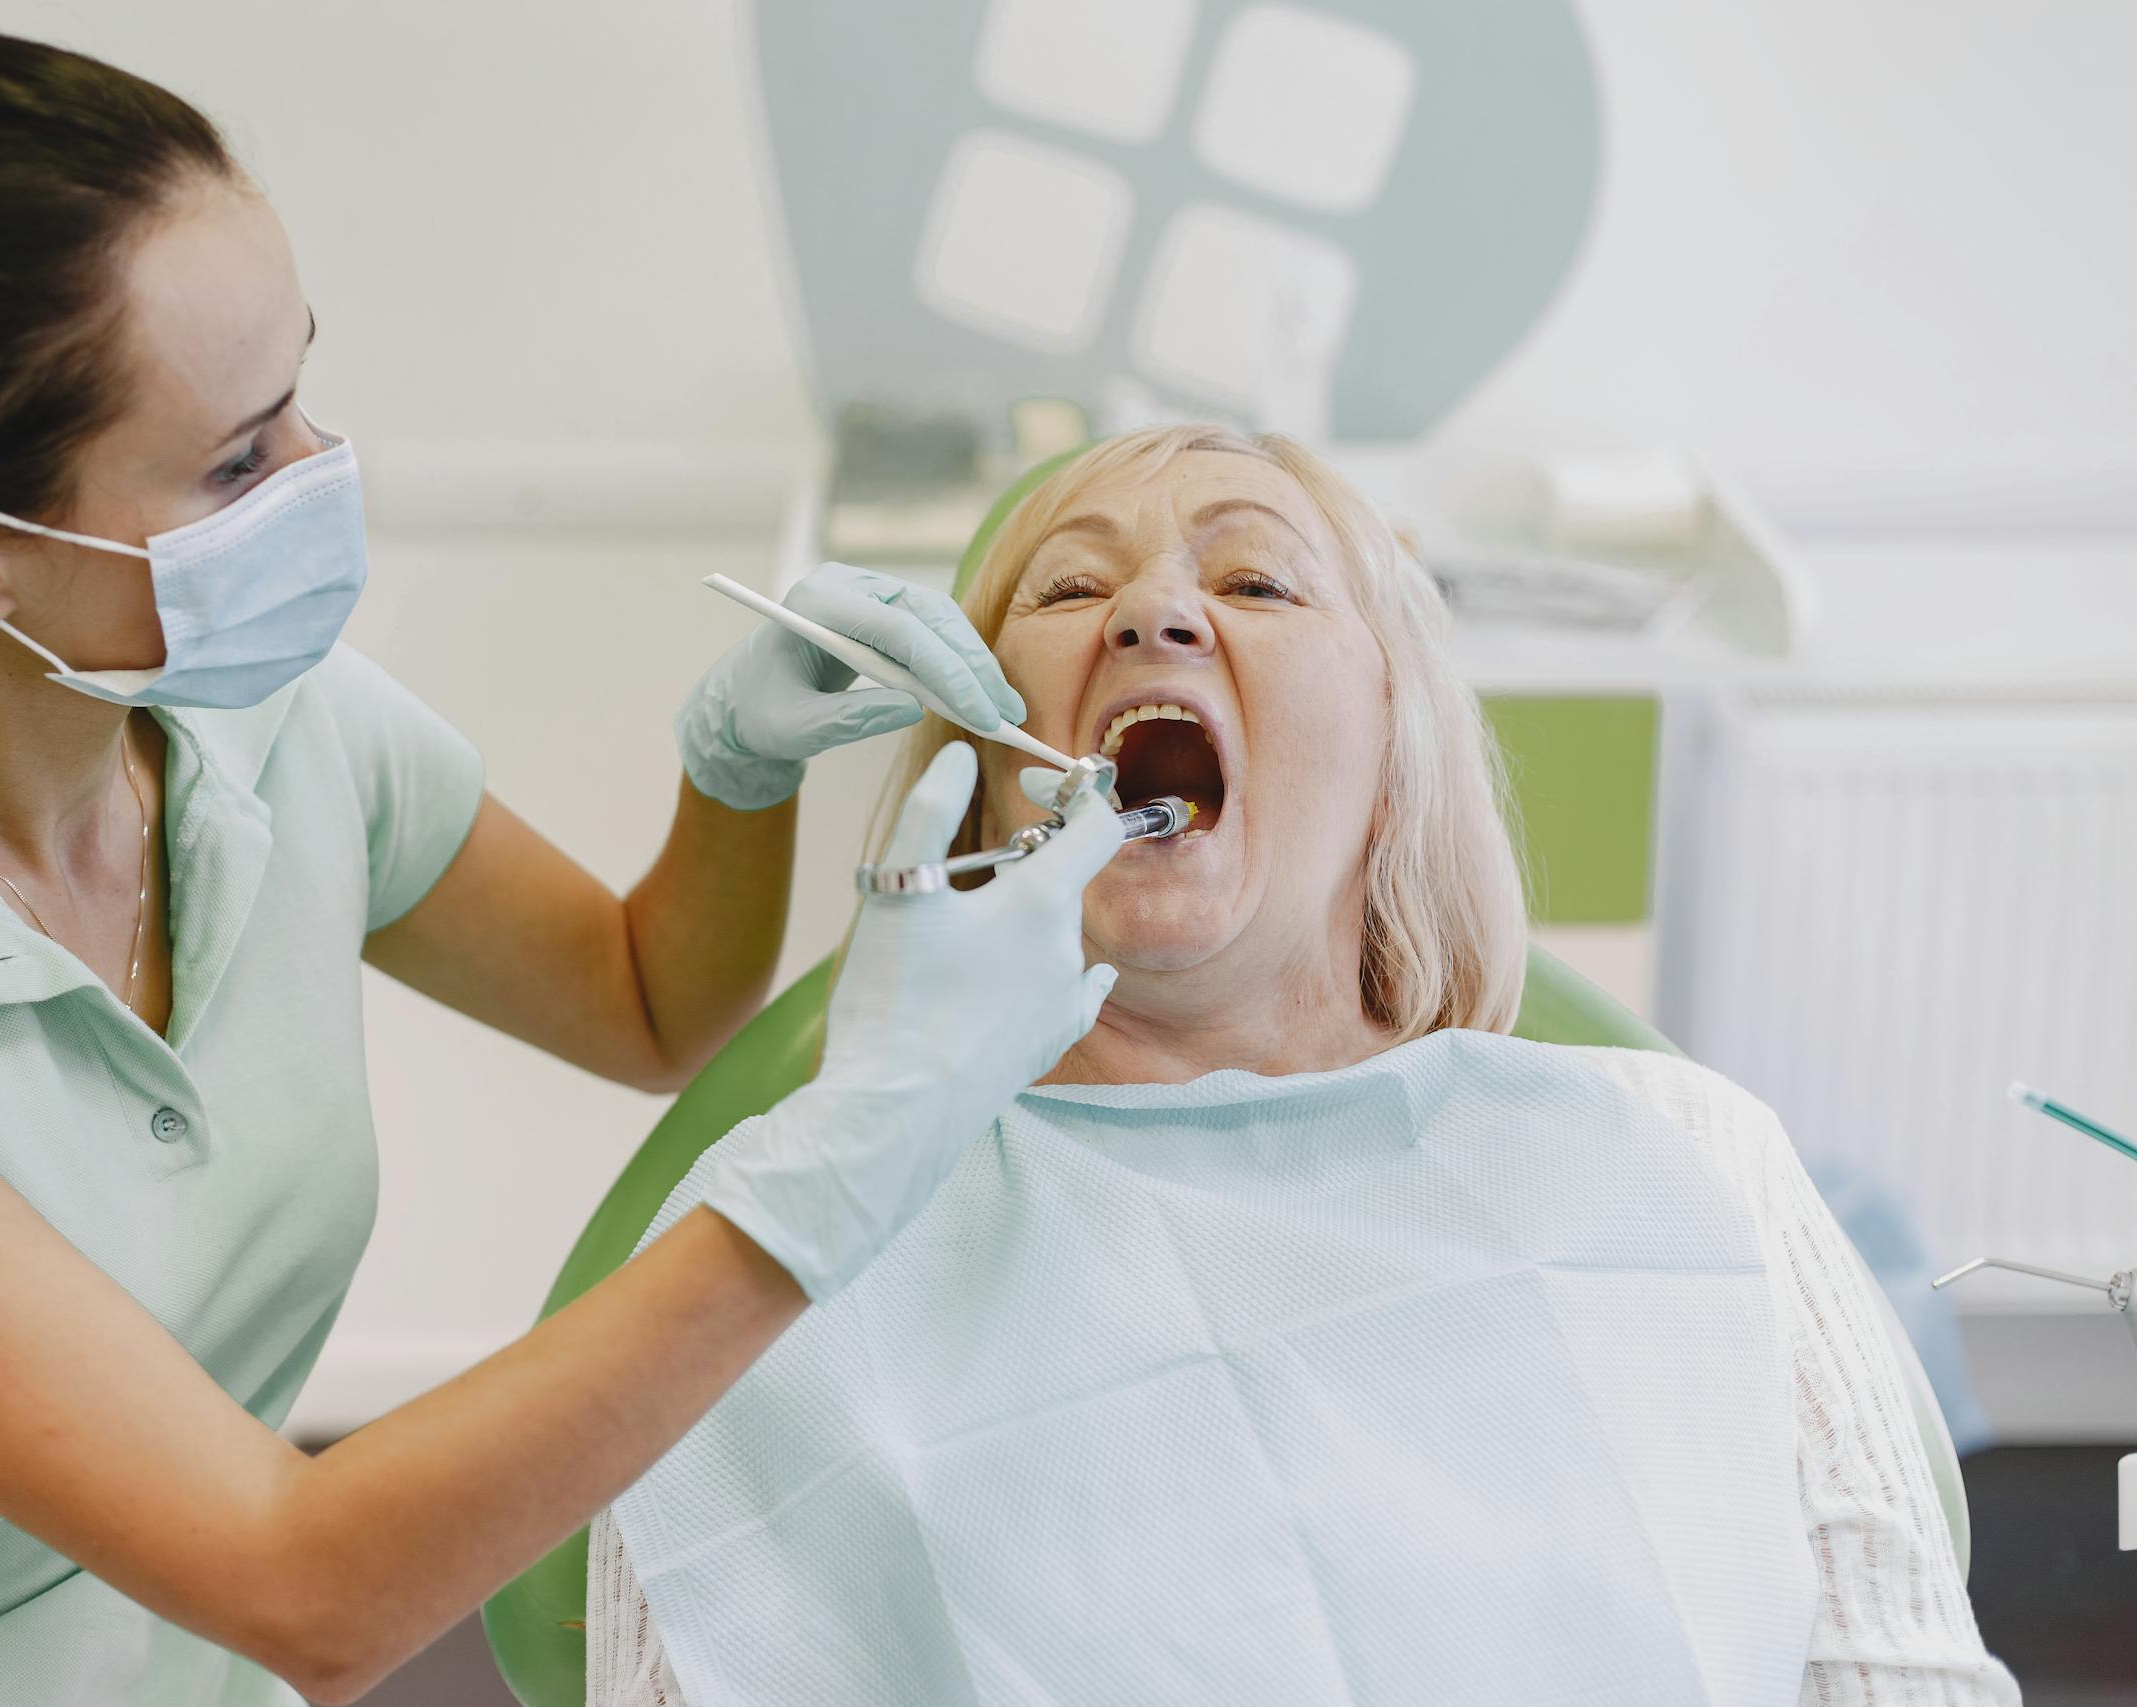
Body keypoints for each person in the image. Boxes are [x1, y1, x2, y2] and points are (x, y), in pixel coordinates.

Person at [0, 33, 1124, 1706]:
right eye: (239, 461)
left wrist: (733, 773)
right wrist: (857, 1150)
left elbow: (647, 1003)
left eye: (300, 388)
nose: (319, 473)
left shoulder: (277, 737)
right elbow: (306, 1588)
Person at [586, 427, 2021, 1706]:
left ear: (1398, 741)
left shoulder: (1689, 1158)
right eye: (1071, 589)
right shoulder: (775, 1236)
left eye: (1259, 585)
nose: (1152, 611)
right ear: (980, 744)